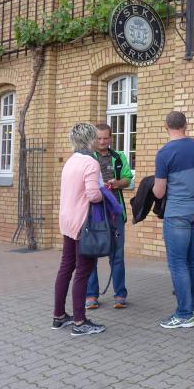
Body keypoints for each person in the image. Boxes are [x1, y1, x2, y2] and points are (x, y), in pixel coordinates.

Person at [154, 111, 194, 329]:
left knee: (178, 264)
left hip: (177, 213)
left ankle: (184, 314)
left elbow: (159, 192)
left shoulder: (164, 153)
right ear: (185, 125)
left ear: (166, 126)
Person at [52, 123, 106, 336]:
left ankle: (58, 315)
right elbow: (93, 194)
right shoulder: (90, 163)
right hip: (83, 223)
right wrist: (104, 195)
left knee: (66, 268)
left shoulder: (70, 161)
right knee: (83, 271)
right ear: (91, 139)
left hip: (67, 220)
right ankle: (79, 322)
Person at [85, 123, 134, 310]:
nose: (102, 142)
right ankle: (91, 295)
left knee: (117, 255)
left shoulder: (119, 157)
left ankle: (120, 295)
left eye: (106, 138)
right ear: (94, 139)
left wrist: (117, 183)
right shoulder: (87, 158)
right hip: (94, 213)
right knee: (91, 253)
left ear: (111, 138)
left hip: (115, 212)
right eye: (99, 138)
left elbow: (128, 179)